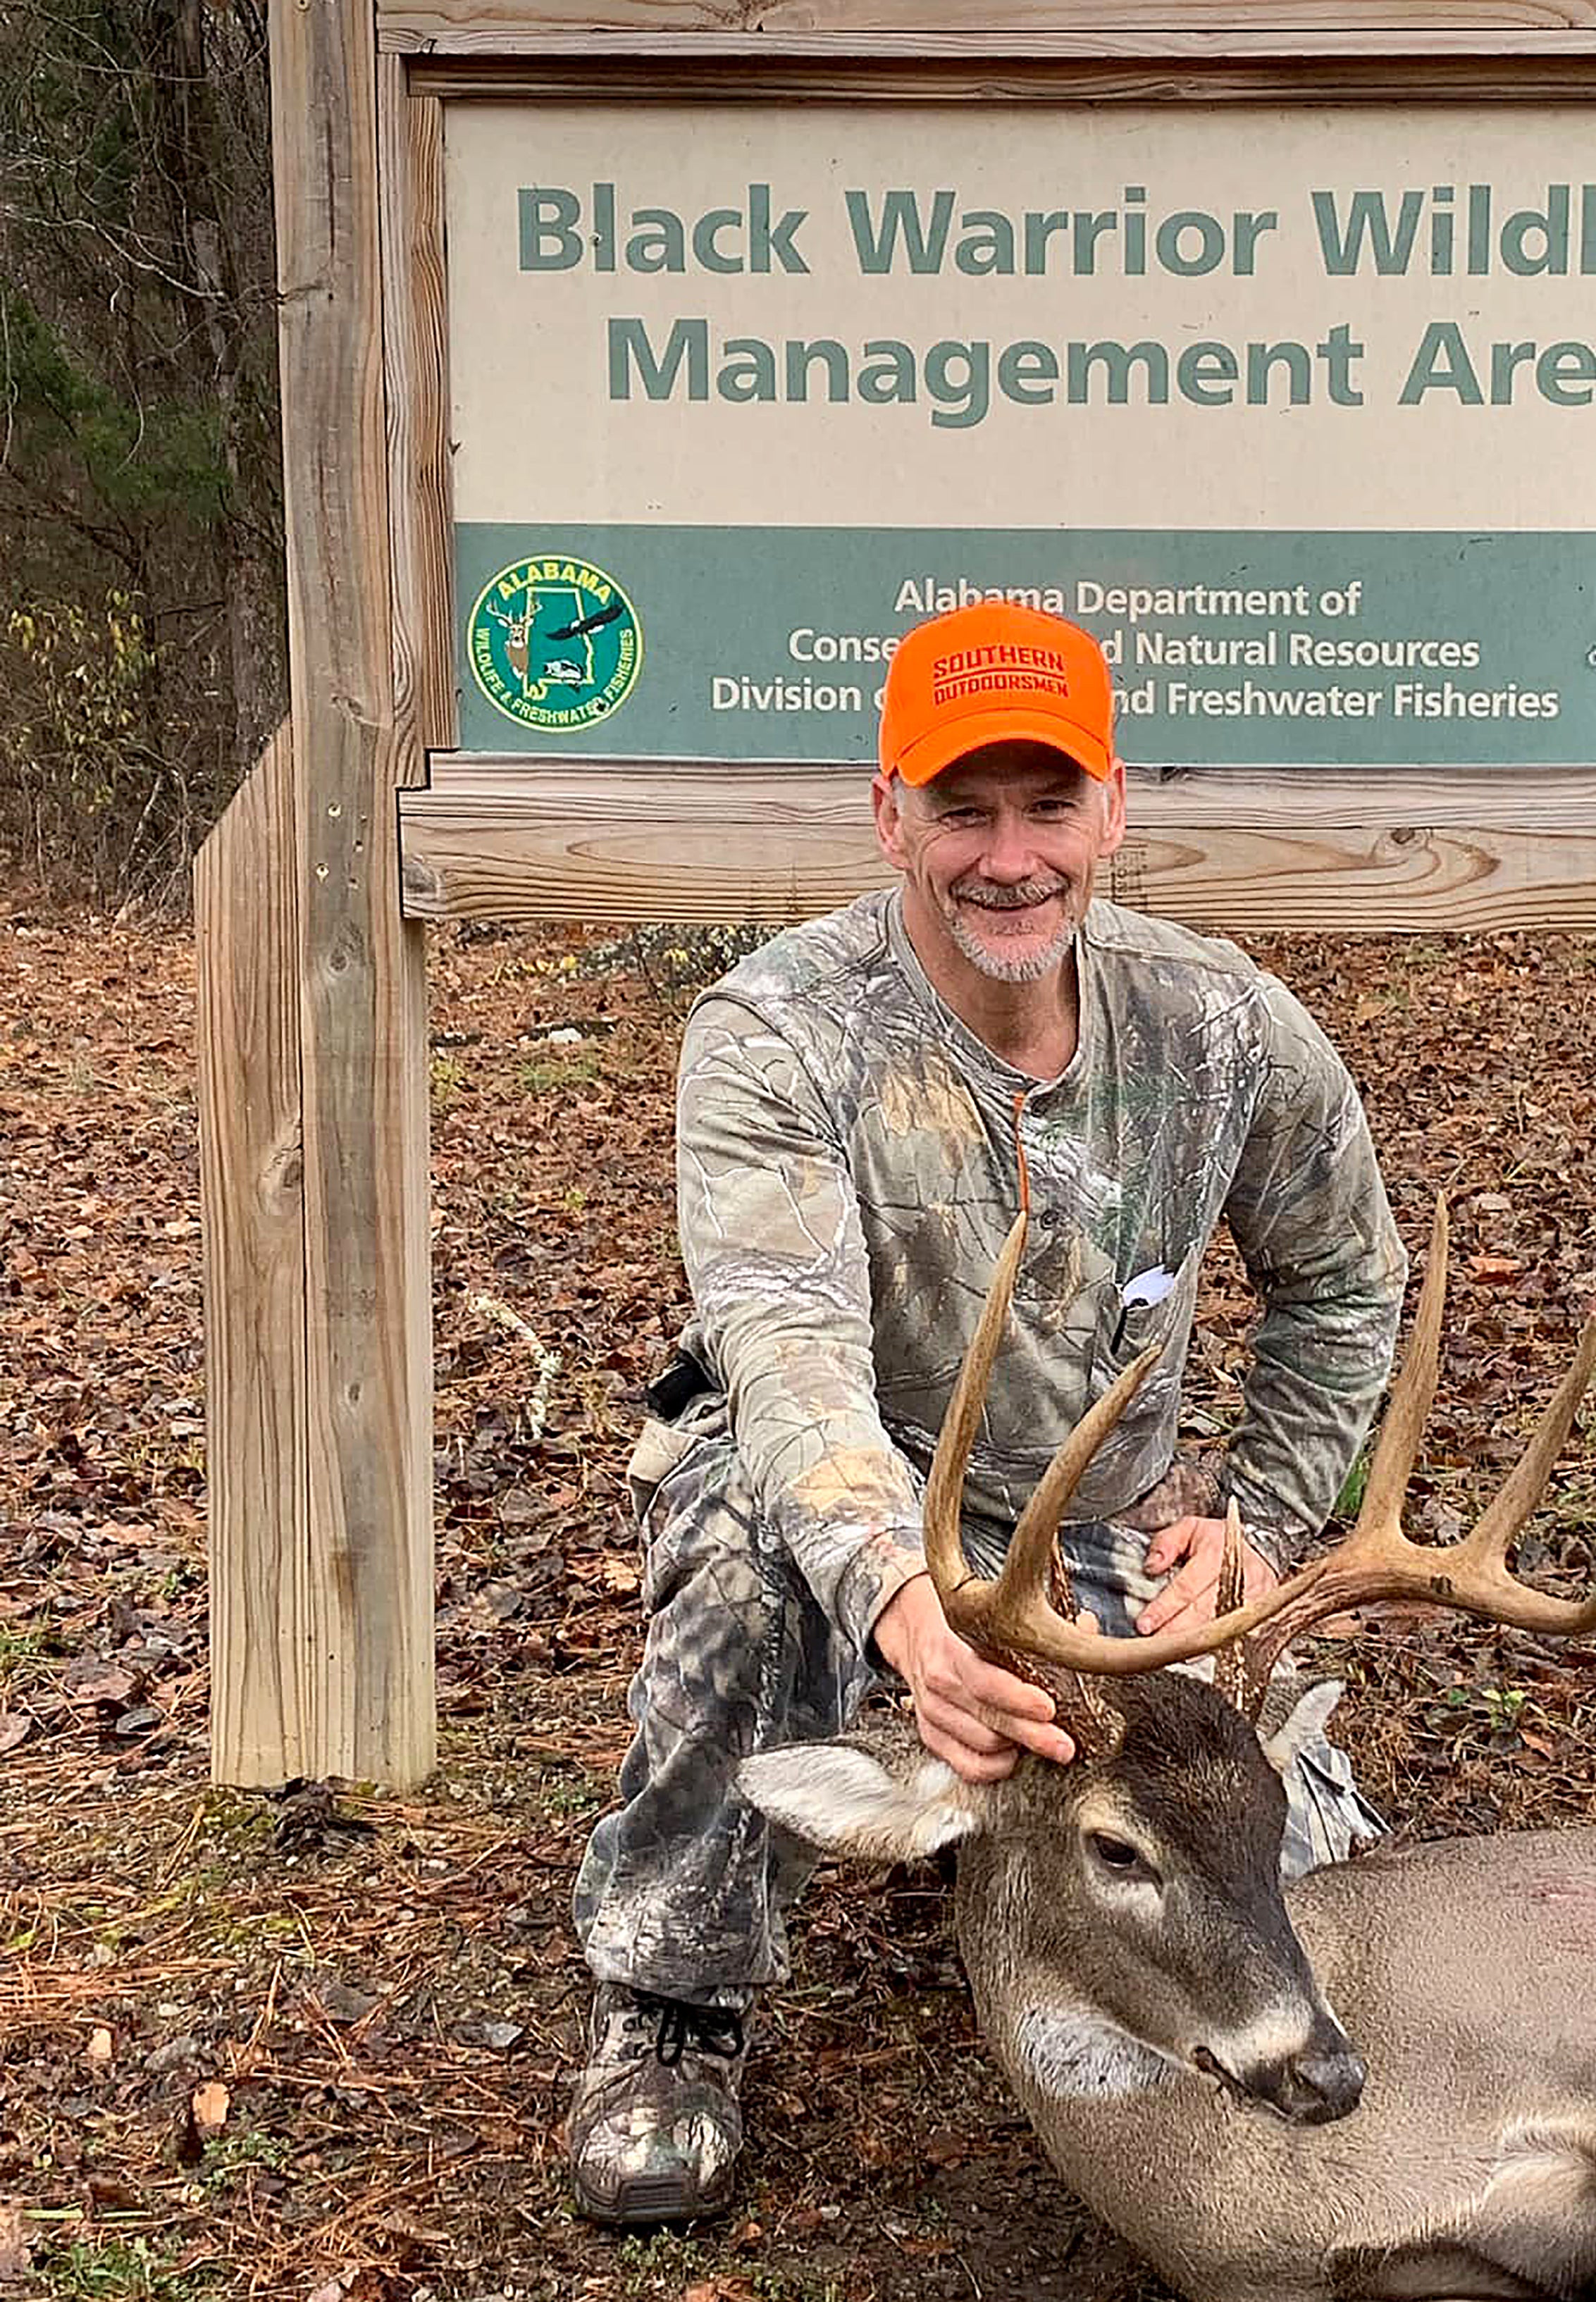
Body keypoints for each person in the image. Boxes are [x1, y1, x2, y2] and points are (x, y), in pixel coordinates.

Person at [567, 600, 1406, 2225]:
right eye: (963, 808)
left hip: (1099, 1535)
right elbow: (783, 1345)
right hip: (853, 1511)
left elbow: (1344, 1284)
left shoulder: (1219, 1024)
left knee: (1297, 1860)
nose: (1008, 856)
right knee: (746, 1549)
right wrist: (899, 1602)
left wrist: (1263, 1524)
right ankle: (673, 1986)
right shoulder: (779, 1032)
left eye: (1046, 804)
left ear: (1109, 809)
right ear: (891, 812)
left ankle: (1051, 1872)